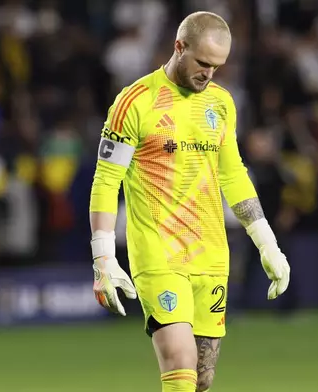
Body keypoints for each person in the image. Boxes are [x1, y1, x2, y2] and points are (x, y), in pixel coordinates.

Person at [89, 12, 291, 392]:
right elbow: (106, 180)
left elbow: (233, 176)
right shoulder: (135, 102)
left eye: (217, 67)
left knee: (202, 379)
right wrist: (103, 255)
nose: (209, 74)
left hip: (212, 256)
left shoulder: (221, 105)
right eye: (202, 63)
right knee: (179, 363)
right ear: (179, 47)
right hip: (158, 253)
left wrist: (267, 243)